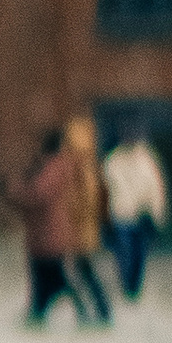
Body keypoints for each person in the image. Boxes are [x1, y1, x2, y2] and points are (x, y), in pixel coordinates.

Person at [6, 127, 100, 325]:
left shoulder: (55, 166)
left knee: (54, 276)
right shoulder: (61, 165)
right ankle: (40, 311)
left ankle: (50, 311)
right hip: (46, 233)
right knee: (45, 275)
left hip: (49, 233)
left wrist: (15, 189)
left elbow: (38, 194)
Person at [101, 123, 170, 302]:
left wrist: (157, 213)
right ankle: (128, 285)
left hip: (142, 214)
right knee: (125, 252)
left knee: (139, 253)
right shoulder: (113, 160)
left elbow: (156, 188)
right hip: (122, 213)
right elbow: (107, 188)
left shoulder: (147, 159)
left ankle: (134, 285)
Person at [62, 114, 114, 325]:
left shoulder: (84, 170)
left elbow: (86, 202)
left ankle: (95, 310)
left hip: (81, 231)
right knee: (82, 272)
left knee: (82, 272)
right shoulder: (86, 167)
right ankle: (92, 310)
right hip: (81, 231)